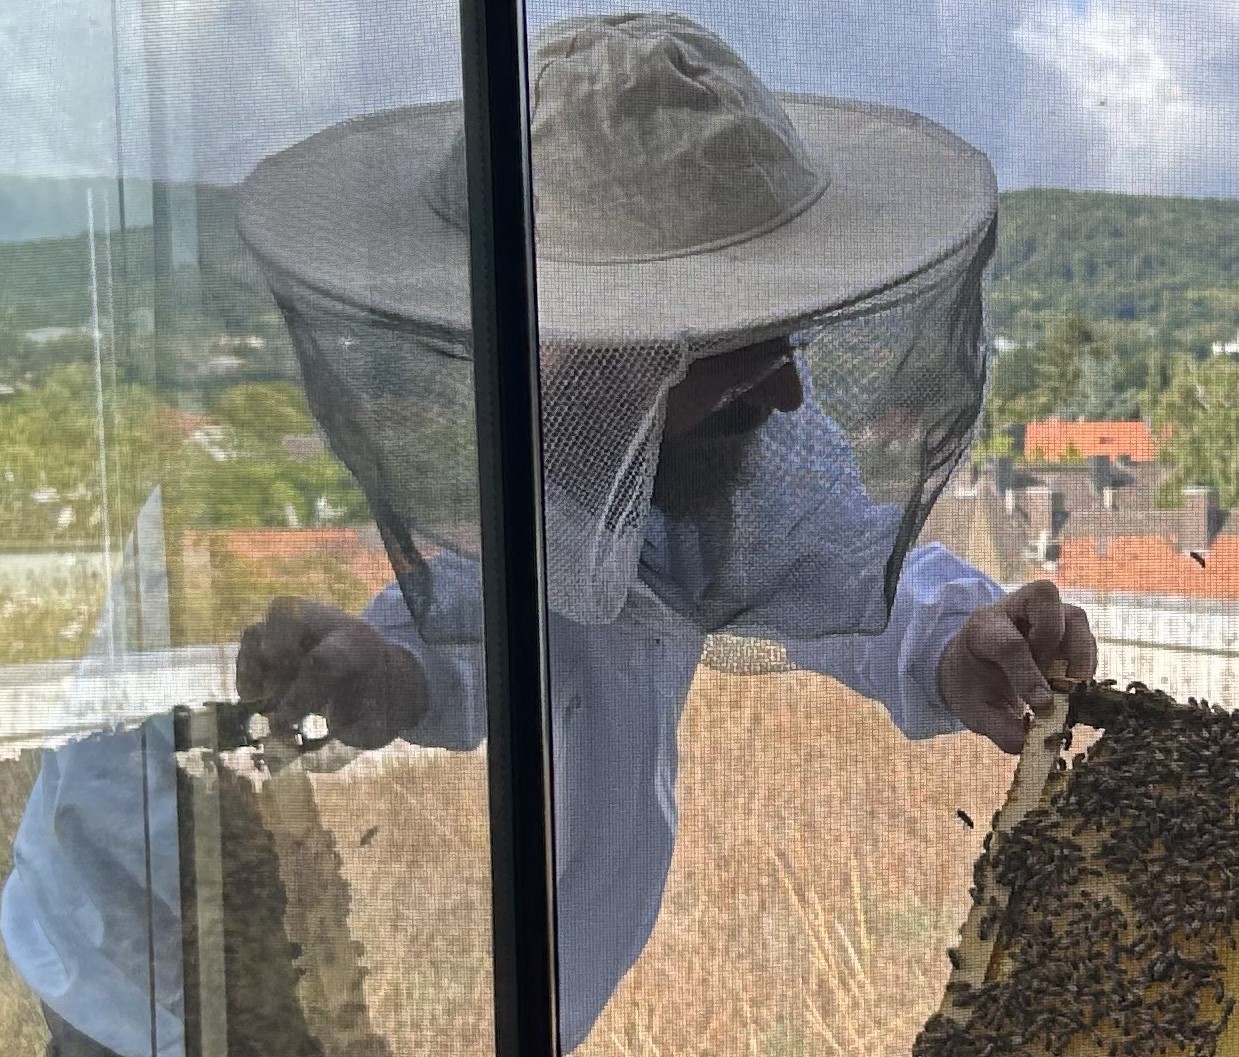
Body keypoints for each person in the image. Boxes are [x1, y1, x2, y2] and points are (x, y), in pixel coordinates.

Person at [6, 12, 1096, 1056]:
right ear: (594, 354)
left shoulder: (670, 451)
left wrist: (954, 644)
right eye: (735, 363)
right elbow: (415, 645)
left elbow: (823, 560)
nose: (783, 399)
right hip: (171, 980)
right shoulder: (314, 486)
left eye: (783, 342)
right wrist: (372, 677)